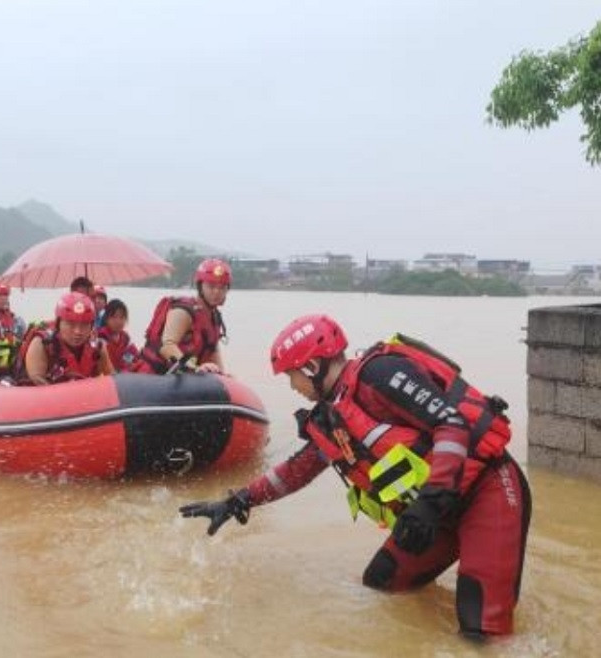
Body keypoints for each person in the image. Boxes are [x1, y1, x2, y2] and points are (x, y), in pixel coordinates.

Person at [178, 314, 531, 640]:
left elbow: (451, 425)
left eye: (291, 375)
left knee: (480, 630)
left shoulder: (382, 374)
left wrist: (430, 503)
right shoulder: (330, 418)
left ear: (312, 366)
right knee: (381, 584)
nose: (292, 386)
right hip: (435, 513)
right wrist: (240, 500)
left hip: (487, 492)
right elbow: (297, 470)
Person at [139, 258, 230, 374]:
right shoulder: (183, 312)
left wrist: (222, 374)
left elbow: (212, 349)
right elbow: (167, 345)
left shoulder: (214, 317)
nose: (217, 292)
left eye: (222, 288)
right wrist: (193, 368)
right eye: (211, 286)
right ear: (200, 286)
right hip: (155, 375)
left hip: (181, 377)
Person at [13, 292, 114, 385]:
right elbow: (37, 383)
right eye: (71, 324)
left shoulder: (98, 348)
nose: (77, 331)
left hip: (86, 399)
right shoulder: (42, 344)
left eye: (84, 325)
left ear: (92, 326)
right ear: (58, 323)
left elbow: (112, 379)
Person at [97, 299, 140, 372]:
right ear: (106, 319)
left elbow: (134, 357)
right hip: (105, 379)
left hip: (122, 378)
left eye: (122, 317)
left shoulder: (126, 339)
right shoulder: (100, 336)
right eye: (114, 317)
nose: (118, 322)